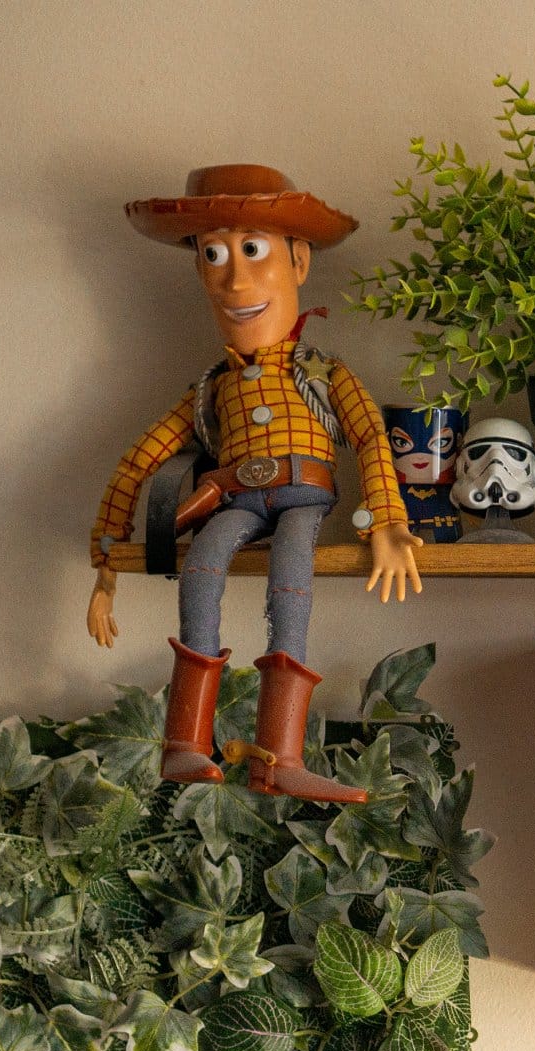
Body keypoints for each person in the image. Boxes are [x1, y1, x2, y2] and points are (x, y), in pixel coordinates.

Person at [85, 165, 422, 803]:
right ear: (198, 269)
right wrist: (106, 562)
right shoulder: (209, 391)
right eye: (214, 255)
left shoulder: (323, 373)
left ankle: (280, 756)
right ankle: (185, 741)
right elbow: (137, 462)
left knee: (290, 584)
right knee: (202, 568)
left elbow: (371, 438)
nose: (235, 280)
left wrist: (388, 521)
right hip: (234, 500)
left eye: (253, 250)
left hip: (303, 497)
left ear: (299, 261)